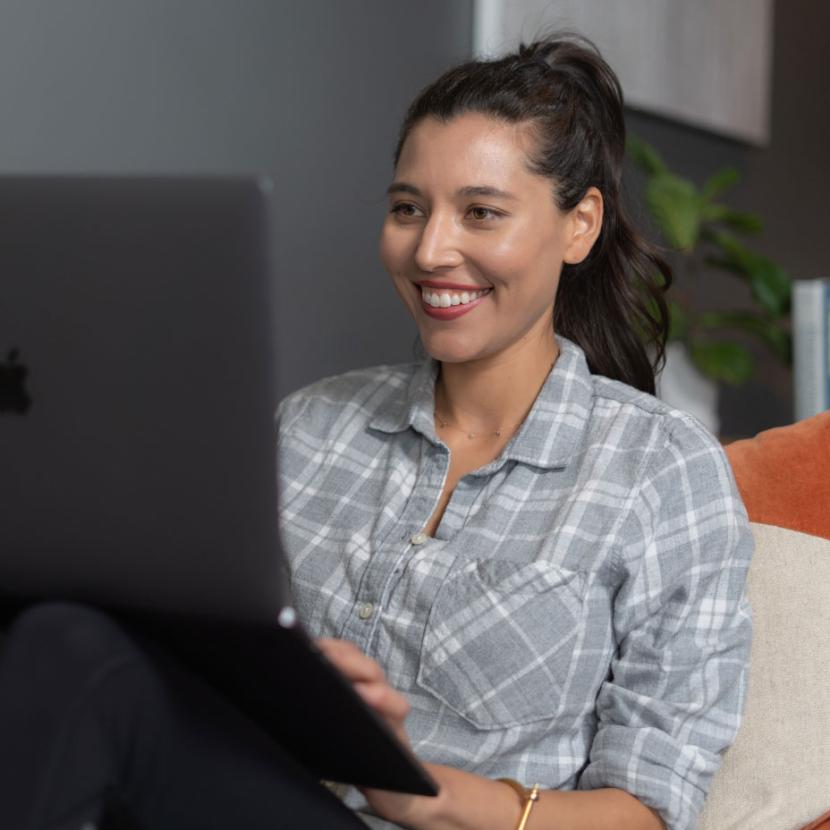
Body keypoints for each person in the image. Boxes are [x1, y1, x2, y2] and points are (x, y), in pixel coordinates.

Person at [0, 34, 752, 830]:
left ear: (580, 226)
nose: (431, 251)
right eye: (407, 209)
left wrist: (414, 788)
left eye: (482, 213)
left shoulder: (662, 472)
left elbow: (648, 810)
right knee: (70, 639)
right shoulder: (308, 427)